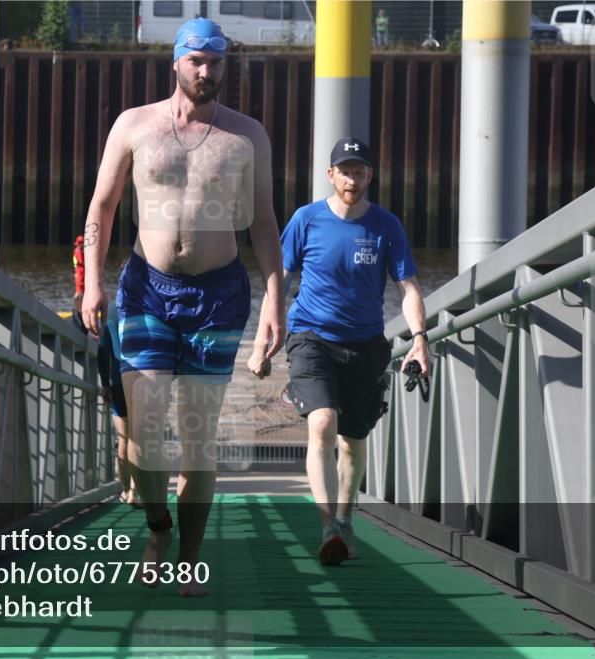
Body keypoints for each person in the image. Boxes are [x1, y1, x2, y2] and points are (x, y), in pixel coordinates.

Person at [81, 18, 285, 596]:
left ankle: (190, 560)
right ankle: (158, 527)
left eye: (216, 62)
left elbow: (265, 222)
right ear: (176, 62)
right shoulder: (135, 125)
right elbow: (101, 207)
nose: (206, 71)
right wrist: (93, 284)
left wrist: (276, 297)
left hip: (218, 298)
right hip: (146, 289)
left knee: (198, 438)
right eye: (197, 60)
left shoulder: (246, 136)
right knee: (143, 436)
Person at [249, 138, 431, 565]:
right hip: (312, 337)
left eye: (360, 170)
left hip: (366, 345)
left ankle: (346, 521)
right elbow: (280, 282)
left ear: (370, 176)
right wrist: (262, 343)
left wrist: (421, 338)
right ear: (330, 175)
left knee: (353, 440)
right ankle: (327, 524)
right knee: (322, 424)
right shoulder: (306, 220)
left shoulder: (386, 226)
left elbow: (408, 289)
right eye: (344, 170)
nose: (352, 178)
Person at [97, 307, 139, 506]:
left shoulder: (112, 311)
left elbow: (103, 349)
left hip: (118, 381)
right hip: (144, 381)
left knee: (123, 439)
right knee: (139, 439)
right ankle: (135, 492)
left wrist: (105, 382)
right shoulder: (148, 304)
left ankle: (124, 490)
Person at [71, 235, 89, 335]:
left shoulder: (78, 250)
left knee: (82, 290)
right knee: (80, 291)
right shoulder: (78, 251)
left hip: (81, 271)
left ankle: (81, 307)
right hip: (80, 271)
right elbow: (82, 261)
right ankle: (79, 309)